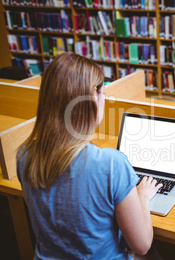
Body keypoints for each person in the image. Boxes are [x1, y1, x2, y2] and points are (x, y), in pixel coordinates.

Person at [17, 52, 162, 259]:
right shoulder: (111, 164)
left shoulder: (24, 156)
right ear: (94, 96)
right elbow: (142, 245)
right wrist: (142, 197)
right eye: (103, 93)